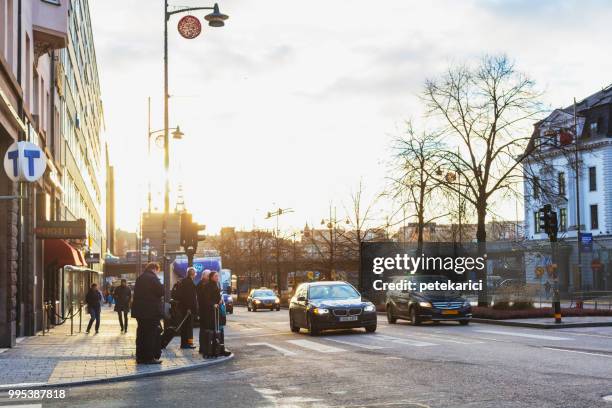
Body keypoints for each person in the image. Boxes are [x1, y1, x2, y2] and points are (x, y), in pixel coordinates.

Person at [131, 262, 164, 364]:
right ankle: (149, 357)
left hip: (140, 312)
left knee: (141, 334)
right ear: (154, 269)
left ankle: (140, 357)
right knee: (150, 334)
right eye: (157, 271)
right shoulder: (153, 278)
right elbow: (161, 292)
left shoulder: (140, 278)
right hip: (150, 311)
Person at [176, 267, 198, 349]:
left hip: (184, 307)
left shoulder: (185, 281)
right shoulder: (189, 282)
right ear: (194, 274)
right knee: (187, 326)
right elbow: (188, 296)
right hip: (187, 308)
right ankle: (187, 344)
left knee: (185, 326)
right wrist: (189, 308)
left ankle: (184, 343)